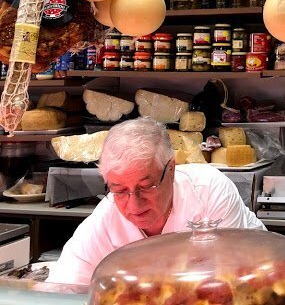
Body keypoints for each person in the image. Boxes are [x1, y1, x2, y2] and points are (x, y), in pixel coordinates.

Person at [47, 118, 265, 286]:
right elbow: (64, 287)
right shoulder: (106, 218)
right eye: (119, 190)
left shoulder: (209, 191)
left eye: (145, 187)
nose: (134, 206)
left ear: (170, 169)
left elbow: (229, 283)